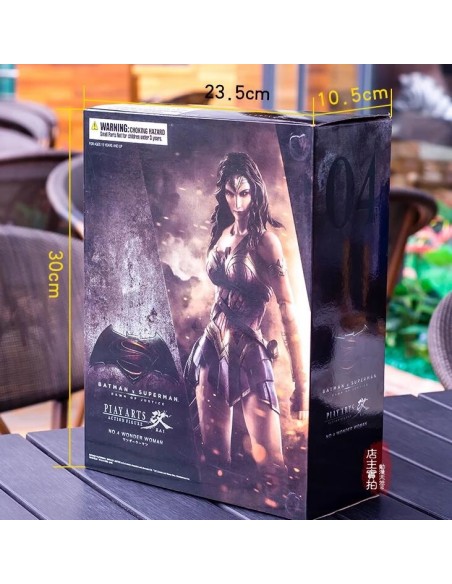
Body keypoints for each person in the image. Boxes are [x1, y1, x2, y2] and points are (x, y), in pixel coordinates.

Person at [184, 152, 307, 499]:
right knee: (214, 464)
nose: (237, 202)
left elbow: (288, 309)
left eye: (244, 193)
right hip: (212, 349)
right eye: (230, 193)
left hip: (249, 352)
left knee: (273, 469)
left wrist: (301, 384)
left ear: (255, 192)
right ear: (223, 193)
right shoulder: (222, 235)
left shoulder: (265, 242)